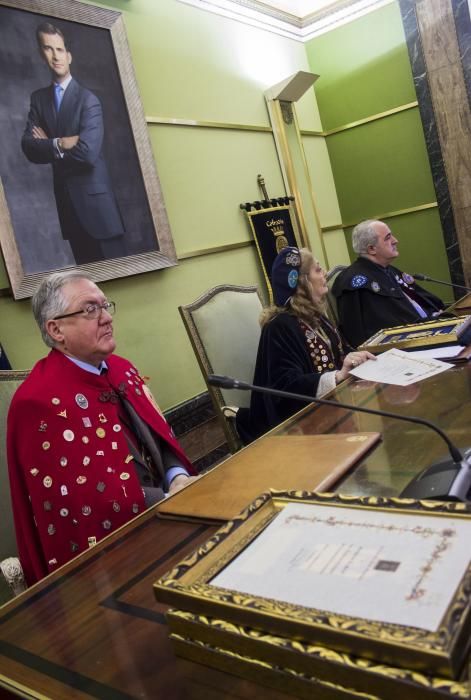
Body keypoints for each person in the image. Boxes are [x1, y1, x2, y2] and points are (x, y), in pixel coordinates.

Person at [7, 271, 196, 586]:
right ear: (56, 330)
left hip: (173, 511)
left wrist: (178, 478)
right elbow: (81, 504)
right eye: (90, 310)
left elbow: (161, 438)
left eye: (105, 306)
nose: (107, 318)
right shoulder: (38, 402)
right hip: (110, 563)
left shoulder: (120, 367)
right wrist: (167, 498)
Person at [235, 247, 374, 443]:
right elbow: (285, 386)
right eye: (317, 270)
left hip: (332, 409)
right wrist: (337, 376)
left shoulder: (315, 318)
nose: (324, 273)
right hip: (297, 428)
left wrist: (356, 358)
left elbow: (339, 350)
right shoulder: (279, 326)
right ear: (302, 282)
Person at [21, 23, 126, 265]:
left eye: (59, 49)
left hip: (99, 211)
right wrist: (62, 143)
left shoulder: (88, 100)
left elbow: (88, 153)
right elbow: (29, 147)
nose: (55, 56)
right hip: (69, 209)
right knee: (87, 286)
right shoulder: (38, 99)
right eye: (48, 49)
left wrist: (48, 144)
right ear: (41, 53)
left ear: (69, 55)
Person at [331, 220, 444, 348]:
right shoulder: (354, 282)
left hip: (431, 331)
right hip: (407, 346)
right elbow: (379, 328)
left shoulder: (388, 270)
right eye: (388, 238)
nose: (395, 241)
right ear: (372, 249)